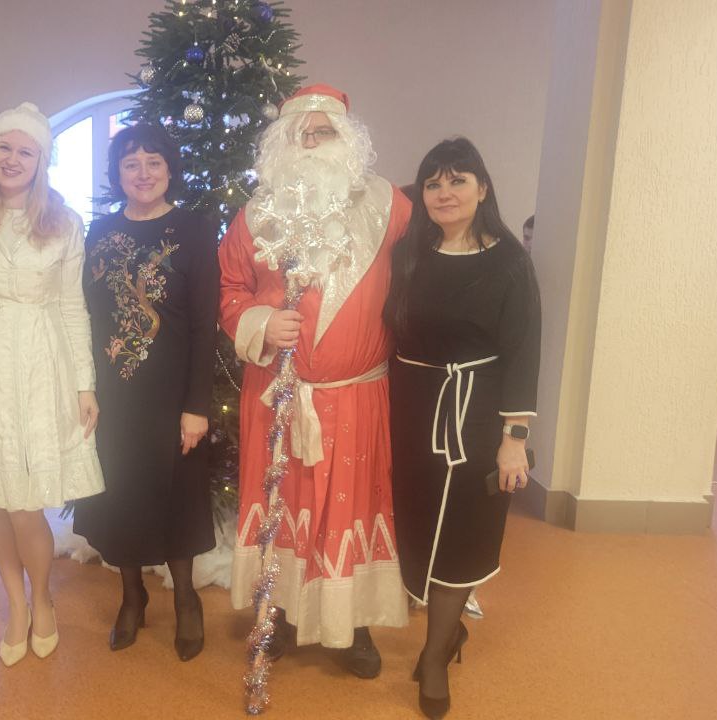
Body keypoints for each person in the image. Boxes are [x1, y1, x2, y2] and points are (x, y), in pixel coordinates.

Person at [218, 84, 410, 678]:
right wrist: (259, 320)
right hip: (276, 395)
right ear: (281, 144)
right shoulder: (255, 215)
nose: (311, 143)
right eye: (299, 134)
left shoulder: (390, 208)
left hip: (356, 397)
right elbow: (231, 290)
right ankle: (279, 613)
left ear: (347, 139)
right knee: (284, 505)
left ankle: (355, 625)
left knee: (351, 511)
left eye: (323, 132)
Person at [0, 102, 104, 668]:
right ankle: (15, 605)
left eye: (25, 151)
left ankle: (44, 598)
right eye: (4, 147)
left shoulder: (64, 222)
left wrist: (84, 384)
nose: (12, 159)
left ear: (41, 161)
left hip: (42, 365)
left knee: (26, 503)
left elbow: (74, 307)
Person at [383, 136, 541, 719]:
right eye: (433, 183)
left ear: (482, 188)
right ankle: (448, 631)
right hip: (409, 407)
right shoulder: (409, 253)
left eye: (457, 180)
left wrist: (514, 441)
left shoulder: (509, 262)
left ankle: (434, 653)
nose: (444, 193)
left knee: (463, 531)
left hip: (474, 412)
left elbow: (523, 352)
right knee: (417, 525)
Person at [72, 124, 220, 661]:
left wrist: (196, 406)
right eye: (131, 163)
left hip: (172, 396)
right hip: (114, 396)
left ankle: (185, 599)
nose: (143, 173)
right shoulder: (99, 231)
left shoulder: (195, 229)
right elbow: (83, 315)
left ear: (169, 169)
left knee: (177, 498)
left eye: (153, 162)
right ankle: (132, 596)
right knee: (121, 495)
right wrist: (84, 386)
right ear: (117, 173)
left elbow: (204, 325)